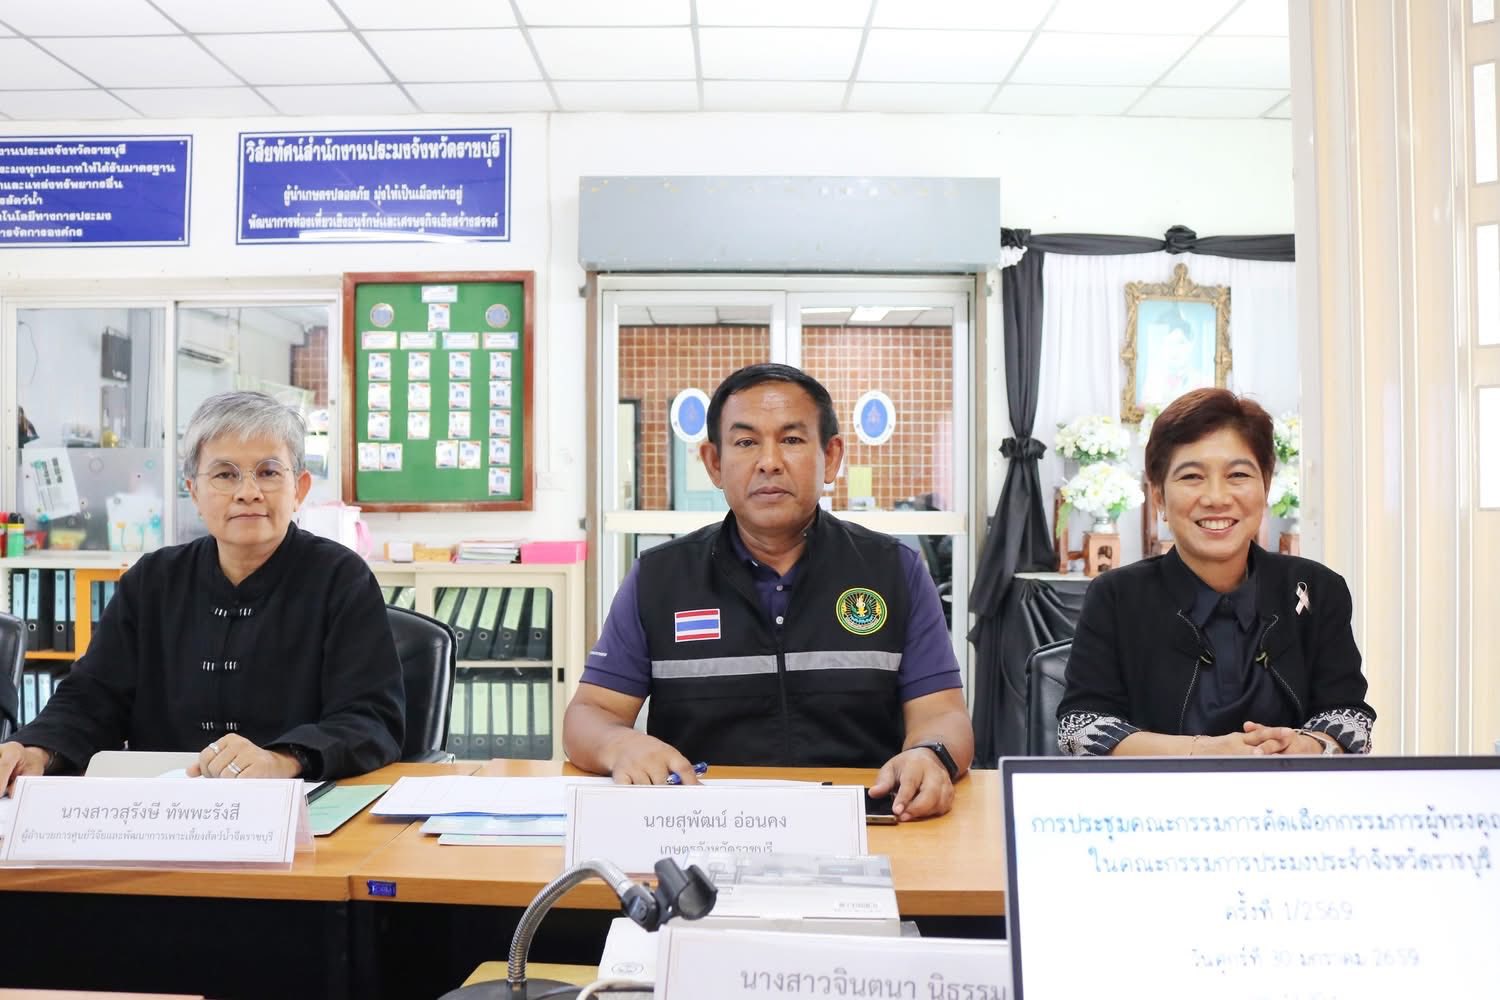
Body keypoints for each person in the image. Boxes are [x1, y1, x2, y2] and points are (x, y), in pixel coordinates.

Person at [564, 364, 973, 820]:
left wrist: (929, 754)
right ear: (714, 463)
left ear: (831, 457)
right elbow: (590, 714)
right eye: (746, 442)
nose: (769, 461)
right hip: (701, 827)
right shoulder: (659, 578)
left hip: (866, 822)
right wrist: (620, 744)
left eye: (792, 439)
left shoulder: (894, 570)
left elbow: (943, 715)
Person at [0, 391, 404, 791]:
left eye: (268, 472)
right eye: (226, 474)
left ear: (299, 488)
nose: (248, 491)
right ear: (194, 491)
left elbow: (371, 720)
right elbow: (91, 698)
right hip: (161, 807)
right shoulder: (152, 581)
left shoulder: (341, 579)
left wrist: (282, 760)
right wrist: (36, 750)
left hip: (296, 808)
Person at [1056, 388, 1374, 756]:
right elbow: (1079, 730)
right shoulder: (1116, 596)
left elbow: (1352, 719)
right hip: (1158, 793)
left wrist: (1306, 746)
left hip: (1289, 791)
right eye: (1192, 476)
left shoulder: (1316, 589)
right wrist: (1203, 752)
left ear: (1266, 487)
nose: (1217, 498)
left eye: (1238, 474)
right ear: (1158, 497)